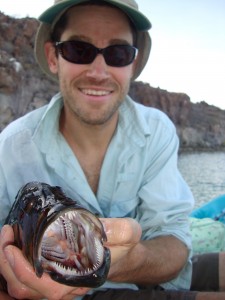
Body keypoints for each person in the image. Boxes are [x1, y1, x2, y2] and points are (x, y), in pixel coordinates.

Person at [0, 0, 224, 299]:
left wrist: (125, 262)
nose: (98, 71)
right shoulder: (11, 148)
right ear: (54, 57)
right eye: (79, 49)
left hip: (149, 274)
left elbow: (174, 243)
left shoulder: (157, 131)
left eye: (118, 53)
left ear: (133, 63)